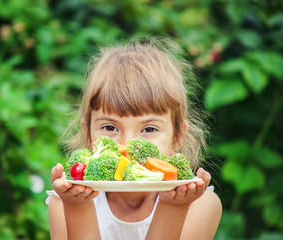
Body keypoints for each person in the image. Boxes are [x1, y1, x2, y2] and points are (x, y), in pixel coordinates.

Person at [46, 37, 222, 240]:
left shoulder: (199, 204)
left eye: (148, 129)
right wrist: (78, 207)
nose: (127, 144)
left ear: (177, 136)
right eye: (110, 127)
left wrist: (173, 207)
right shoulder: (63, 203)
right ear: (88, 134)